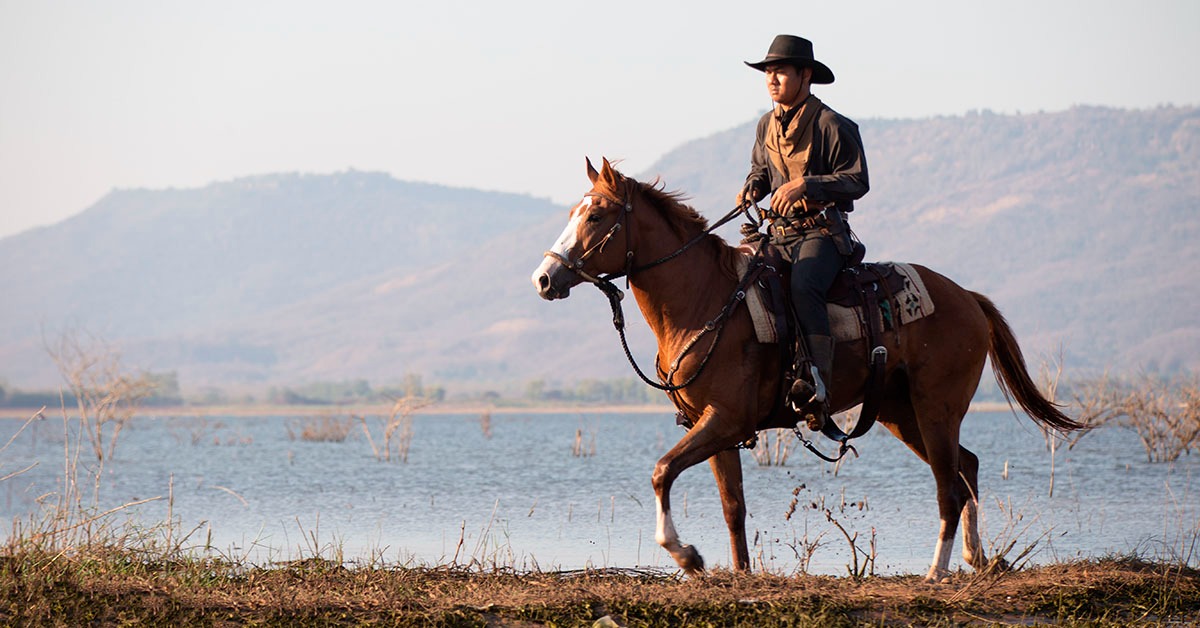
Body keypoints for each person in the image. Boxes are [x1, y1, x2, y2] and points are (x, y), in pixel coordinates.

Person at [736, 34, 869, 431]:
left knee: (804, 286)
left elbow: (857, 181)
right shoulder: (765, 125)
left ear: (805, 75)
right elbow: (760, 170)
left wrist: (806, 185)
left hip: (822, 234)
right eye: (767, 72)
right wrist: (752, 188)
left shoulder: (832, 124)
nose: (771, 79)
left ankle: (818, 386)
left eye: (779, 71)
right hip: (777, 234)